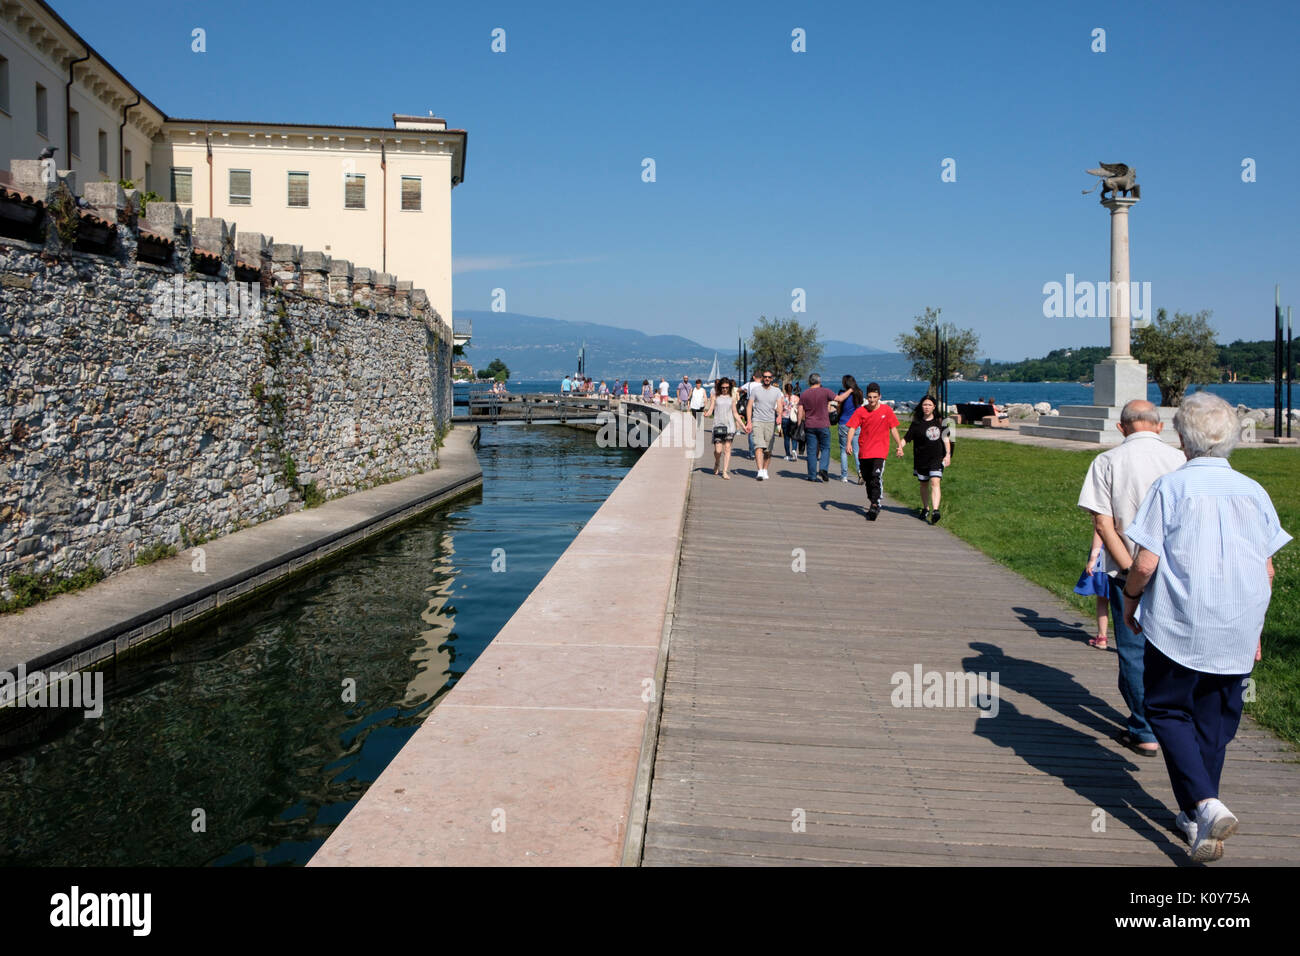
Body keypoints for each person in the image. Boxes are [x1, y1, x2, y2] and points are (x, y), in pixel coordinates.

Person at [1122, 391, 1291, 862]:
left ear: (1182, 438)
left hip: (1181, 622)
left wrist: (1131, 600)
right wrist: (1255, 626)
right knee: (1214, 724)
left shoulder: (1171, 488)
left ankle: (1207, 804)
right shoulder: (1254, 491)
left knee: (1168, 710)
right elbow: (1268, 568)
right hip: (1237, 620)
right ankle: (1200, 820)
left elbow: (1146, 561)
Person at [1076, 399, 1186, 759]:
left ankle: (1144, 728)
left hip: (1129, 568)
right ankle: (1176, 720)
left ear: (1121, 428)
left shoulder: (1107, 461)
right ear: (1158, 426)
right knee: (1174, 647)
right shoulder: (1180, 461)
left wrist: (1126, 570)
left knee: (1134, 651)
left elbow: (1102, 524)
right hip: (1176, 569)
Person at [845, 383, 904, 520]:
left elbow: (893, 428)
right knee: (867, 477)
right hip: (865, 451)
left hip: (880, 451)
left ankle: (875, 504)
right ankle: (872, 499)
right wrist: (848, 443)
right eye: (870, 397)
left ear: (879, 397)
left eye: (875, 397)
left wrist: (899, 445)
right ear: (866, 397)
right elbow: (852, 428)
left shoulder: (887, 411)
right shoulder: (861, 411)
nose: (872, 400)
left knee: (875, 477)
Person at [901, 394, 951, 523]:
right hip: (921, 459)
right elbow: (907, 438)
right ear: (921, 406)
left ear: (934, 406)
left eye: (929, 405)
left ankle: (935, 510)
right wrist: (900, 447)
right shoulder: (917, 423)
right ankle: (926, 508)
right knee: (924, 484)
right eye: (924, 405)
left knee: (935, 482)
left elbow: (946, 439)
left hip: (936, 458)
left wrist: (948, 455)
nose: (927, 407)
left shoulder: (941, 421)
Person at [1074, 529, 1111, 649]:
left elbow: (1099, 530)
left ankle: (1102, 637)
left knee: (1102, 597)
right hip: (1126, 553)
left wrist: (1093, 558)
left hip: (1105, 554)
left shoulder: (1104, 511)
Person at [745, 369, 783, 481]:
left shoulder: (776, 391)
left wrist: (779, 415)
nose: (767, 379)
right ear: (762, 378)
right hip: (757, 421)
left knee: (768, 450)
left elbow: (779, 405)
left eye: (769, 377)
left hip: (770, 422)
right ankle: (760, 471)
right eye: (765, 377)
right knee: (758, 446)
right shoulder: (756, 390)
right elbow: (749, 406)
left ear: (772, 379)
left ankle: (765, 469)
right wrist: (749, 421)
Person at [797, 374, 836, 482]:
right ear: (819, 381)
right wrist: (851, 390)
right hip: (823, 424)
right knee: (825, 448)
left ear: (810, 382)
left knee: (811, 451)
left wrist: (799, 424)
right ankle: (823, 468)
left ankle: (812, 475)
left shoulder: (804, 394)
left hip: (810, 425)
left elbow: (800, 410)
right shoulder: (825, 391)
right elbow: (839, 398)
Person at [703, 378, 743, 479]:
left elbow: (735, 413)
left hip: (729, 427)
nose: (725, 389)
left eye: (727, 388)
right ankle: (717, 462)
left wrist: (743, 426)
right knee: (718, 450)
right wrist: (706, 414)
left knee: (727, 448)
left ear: (729, 388)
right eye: (723, 387)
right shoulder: (715, 397)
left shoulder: (732, 398)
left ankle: (724, 471)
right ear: (719, 387)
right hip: (718, 426)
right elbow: (711, 409)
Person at [835, 376, 864, 483]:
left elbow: (839, 406)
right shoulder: (859, 393)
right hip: (856, 424)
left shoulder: (842, 393)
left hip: (844, 422)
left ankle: (844, 475)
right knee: (856, 451)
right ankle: (860, 472)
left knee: (843, 450)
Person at [781, 383, 800, 461]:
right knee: (794, 437)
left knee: (786, 437)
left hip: (785, 418)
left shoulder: (782, 398)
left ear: (785, 389)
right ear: (792, 389)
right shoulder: (796, 398)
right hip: (794, 419)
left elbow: (779, 408)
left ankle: (787, 455)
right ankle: (794, 450)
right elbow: (799, 409)